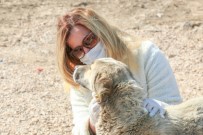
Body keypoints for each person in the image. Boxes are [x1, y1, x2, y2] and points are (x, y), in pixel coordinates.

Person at [56, 7, 182, 135]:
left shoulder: (146, 55)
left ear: (102, 32)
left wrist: (160, 105)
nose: (87, 52)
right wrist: (91, 125)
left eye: (89, 40)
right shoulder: (81, 80)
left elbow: (174, 106)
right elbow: (78, 128)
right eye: (78, 50)